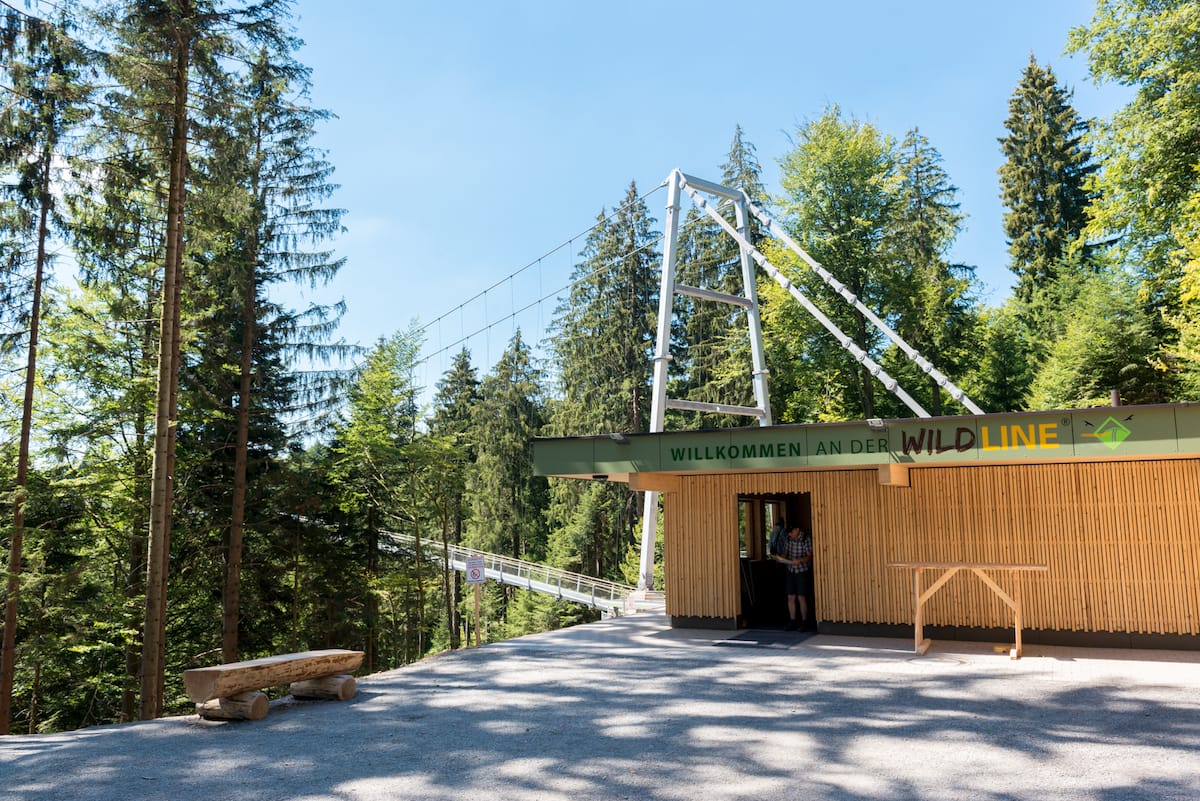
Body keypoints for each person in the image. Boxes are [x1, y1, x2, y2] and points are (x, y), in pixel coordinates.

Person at [773, 525, 813, 630]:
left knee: (801, 596)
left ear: (797, 529)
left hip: (802, 570)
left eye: (791, 532)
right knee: (790, 596)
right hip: (790, 570)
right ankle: (792, 620)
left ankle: (805, 621)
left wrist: (800, 560)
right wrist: (781, 558)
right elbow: (786, 552)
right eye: (789, 533)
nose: (790, 534)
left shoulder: (805, 539)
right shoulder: (788, 539)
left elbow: (810, 556)